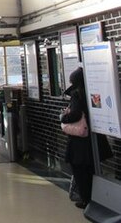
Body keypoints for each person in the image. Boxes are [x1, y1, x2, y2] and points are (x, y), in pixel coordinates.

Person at [60, 67, 112, 209]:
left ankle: (86, 200)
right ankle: (95, 198)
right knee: (92, 170)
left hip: (80, 141)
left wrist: (63, 117)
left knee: (80, 171)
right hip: (94, 138)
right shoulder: (93, 92)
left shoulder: (77, 95)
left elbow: (76, 114)